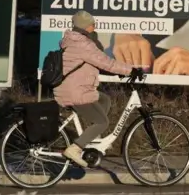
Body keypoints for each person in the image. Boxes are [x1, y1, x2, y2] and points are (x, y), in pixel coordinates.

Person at [53, 10, 141, 167]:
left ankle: (92, 138)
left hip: (71, 88)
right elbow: (106, 61)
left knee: (104, 99)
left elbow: (93, 64)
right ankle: (75, 148)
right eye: (93, 24)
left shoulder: (72, 41)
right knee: (103, 122)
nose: (95, 26)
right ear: (87, 26)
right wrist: (131, 70)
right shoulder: (84, 44)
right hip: (75, 92)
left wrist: (115, 73)